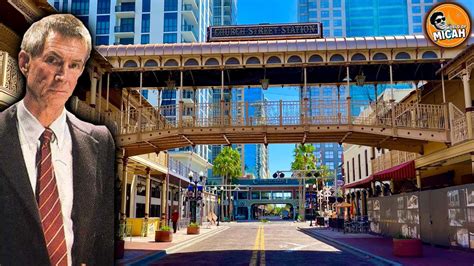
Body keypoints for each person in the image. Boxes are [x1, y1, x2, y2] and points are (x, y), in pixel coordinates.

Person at [0, 14, 114, 265]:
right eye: (53, 60)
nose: (63, 75)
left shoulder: (99, 142)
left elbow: (102, 242)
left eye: (74, 65)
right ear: (24, 62)